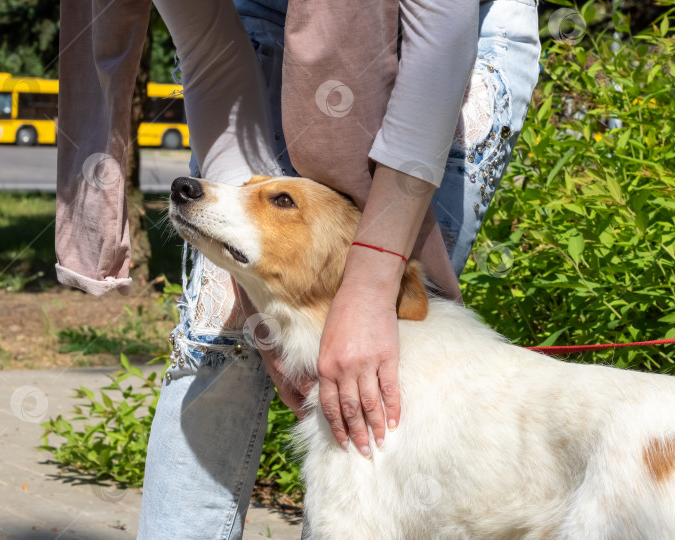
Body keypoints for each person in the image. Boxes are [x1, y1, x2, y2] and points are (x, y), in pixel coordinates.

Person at [54, 0, 540, 537]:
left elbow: (439, 46)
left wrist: (373, 280)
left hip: (452, 50)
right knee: (220, 345)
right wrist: (262, 299)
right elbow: (210, 50)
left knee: (385, 367)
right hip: (263, 20)